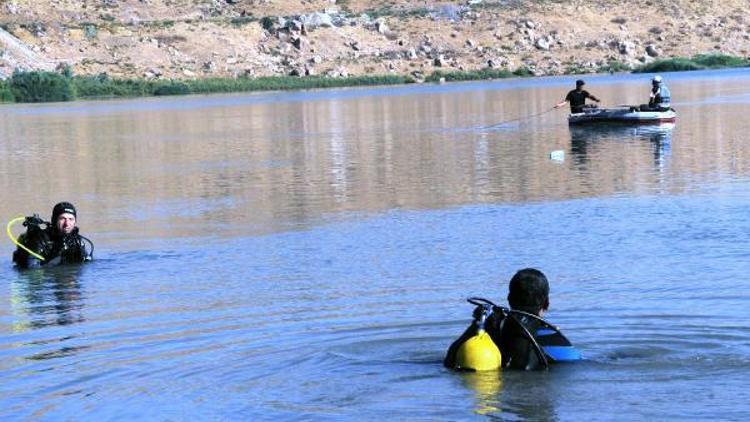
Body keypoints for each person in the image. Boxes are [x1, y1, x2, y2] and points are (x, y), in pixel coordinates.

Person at [444, 268, 556, 371]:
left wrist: (477, 324)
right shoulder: (547, 339)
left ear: (509, 299)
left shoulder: (491, 323)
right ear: (547, 303)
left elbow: (449, 361)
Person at [12, 202, 92, 269]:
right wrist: (56, 252)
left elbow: (86, 264)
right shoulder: (40, 239)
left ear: (75, 222)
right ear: (54, 220)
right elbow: (31, 270)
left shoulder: (76, 240)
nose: (67, 224)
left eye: (71, 219)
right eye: (62, 219)